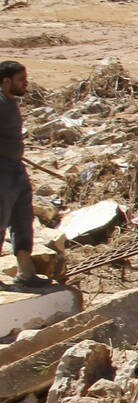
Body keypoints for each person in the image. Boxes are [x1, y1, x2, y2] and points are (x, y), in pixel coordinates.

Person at [0, 61, 47, 289]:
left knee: (22, 219)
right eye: (20, 79)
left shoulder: (10, 102)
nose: (25, 83)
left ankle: (26, 273)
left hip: (15, 169)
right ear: (6, 81)